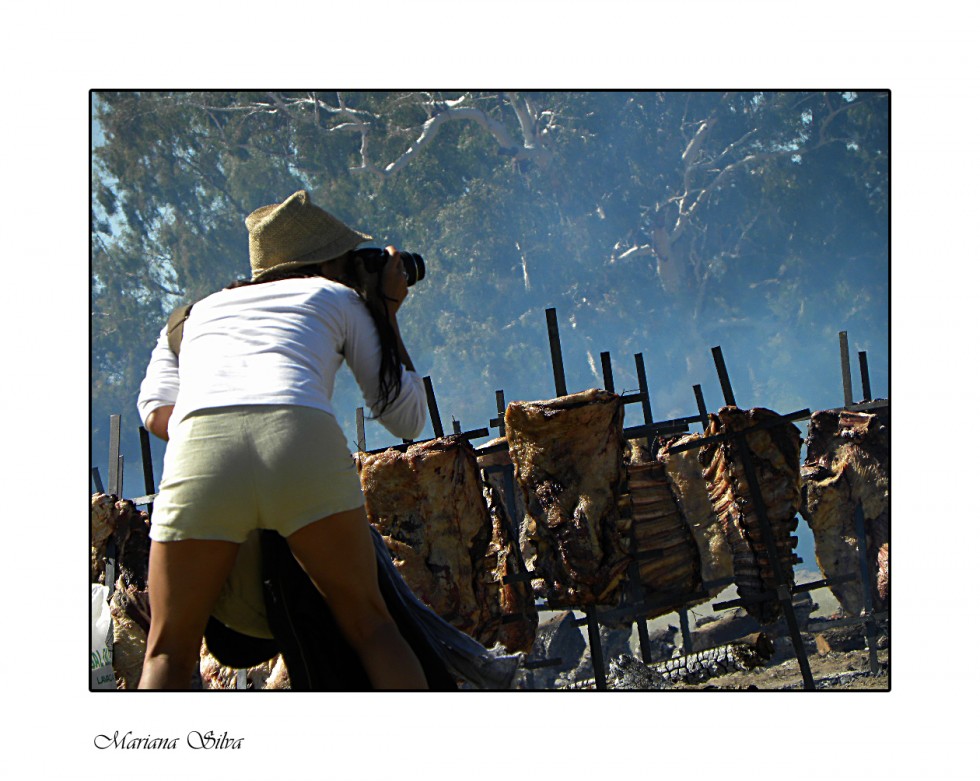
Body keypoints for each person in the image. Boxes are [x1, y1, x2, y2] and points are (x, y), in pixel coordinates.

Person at [136, 190, 429, 689]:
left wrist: (216, 423)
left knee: (166, 650)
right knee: (371, 626)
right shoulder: (338, 299)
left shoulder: (194, 315)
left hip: (199, 447)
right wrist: (386, 310)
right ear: (330, 262)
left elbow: (154, 409)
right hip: (299, 436)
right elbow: (406, 419)